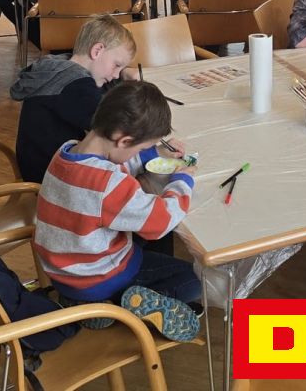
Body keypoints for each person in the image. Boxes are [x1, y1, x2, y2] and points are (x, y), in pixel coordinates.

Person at [33, 80, 200, 341]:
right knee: (194, 279)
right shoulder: (107, 184)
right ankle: (123, 307)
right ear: (124, 140)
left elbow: (114, 164)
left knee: (139, 240)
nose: (141, 152)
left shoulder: (67, 151)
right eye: (141, 148)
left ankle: (89, 305)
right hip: (98, 277)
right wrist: (182, 182)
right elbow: (160, 222)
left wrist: (151, 154)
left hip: (63, 275)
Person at [11, 16, 137, 183]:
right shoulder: (76, 86)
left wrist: (122, 75)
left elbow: (101, 91)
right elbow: (113, 125)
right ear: (97, 51)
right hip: (53, 177)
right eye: (117, 65)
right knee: (133, 169)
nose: (116, 74)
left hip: (36, 165)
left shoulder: (60, 67)